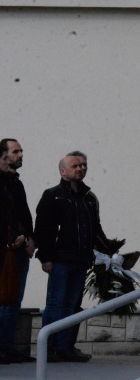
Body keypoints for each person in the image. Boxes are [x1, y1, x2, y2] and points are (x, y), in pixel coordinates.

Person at [34, 151, 111, 362]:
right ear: (63, 171)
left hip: (81, 260)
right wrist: (46, 258)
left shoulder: (89, 198)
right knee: (56, 304)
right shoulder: (53, 195)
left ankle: (65, 347)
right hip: (59, 260)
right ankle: (48, 349)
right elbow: (43, 229)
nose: (80, 168)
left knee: (72, 306)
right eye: (75, 166)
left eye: (83, 165)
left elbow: (96, 230)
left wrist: (109, 253)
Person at [0, 139, 35, 364]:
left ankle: (7, 347)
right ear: (3, 155)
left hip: (18, 249)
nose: (21, 155)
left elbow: (23, 214)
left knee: (13, 300)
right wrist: (14, 237)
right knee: (4, 299)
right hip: (5, 250)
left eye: (21, 151)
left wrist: (29, 237)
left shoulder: (15, 182)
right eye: (16, 151)